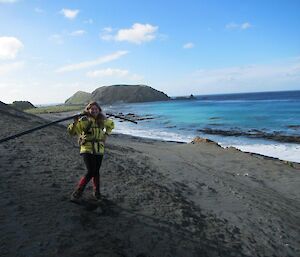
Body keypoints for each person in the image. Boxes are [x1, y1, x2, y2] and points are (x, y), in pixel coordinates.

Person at [67, 101, 114, 201]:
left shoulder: (103, 120)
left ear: (99, 110)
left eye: (96, 109)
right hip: (87, 147)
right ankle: (77, 192)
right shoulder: (83, 120)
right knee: (91, 171)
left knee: (96, 171)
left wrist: (106, 135)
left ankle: (97, 192)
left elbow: (111, 125)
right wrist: (75, 122)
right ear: (88, 110)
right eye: (92, 109)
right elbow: (72, 132)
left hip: (99, 148)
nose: (94, 110)